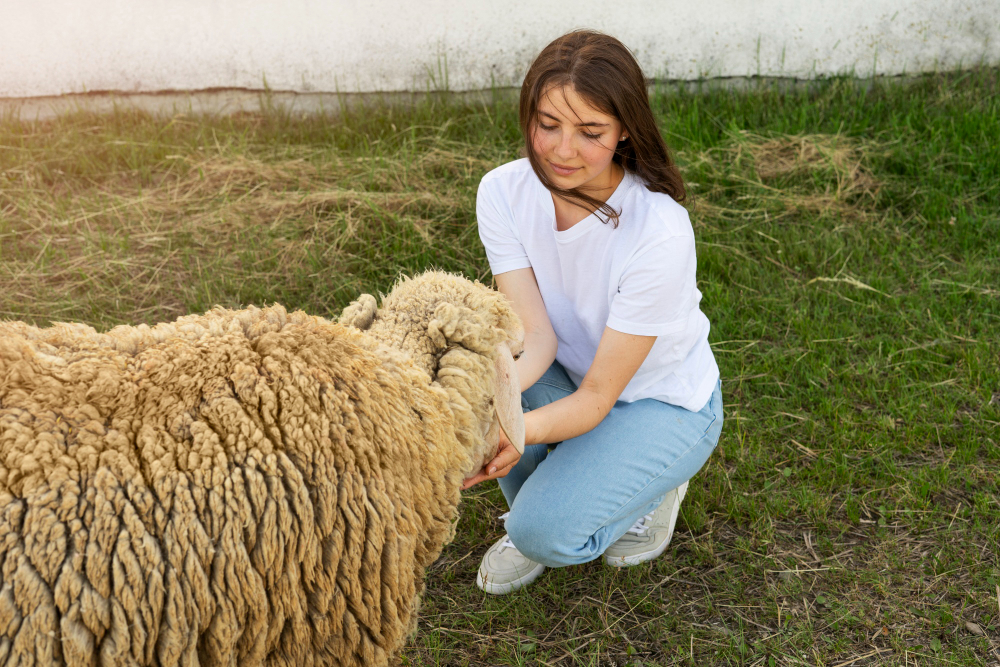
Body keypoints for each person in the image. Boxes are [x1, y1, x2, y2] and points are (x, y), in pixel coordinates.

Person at [462, 29, 723, 595]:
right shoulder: (502, 192)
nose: (561, 150)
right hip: (569, 374)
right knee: (491, 369)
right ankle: (553, 495)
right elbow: (535, 336)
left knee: (545, 532)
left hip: (660, 402)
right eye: (548, 124)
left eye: (590, 132)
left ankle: (650, 488)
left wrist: (512, 429)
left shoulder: (658, 231)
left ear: (625, 129)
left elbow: (600, 397)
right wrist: (491, 408)